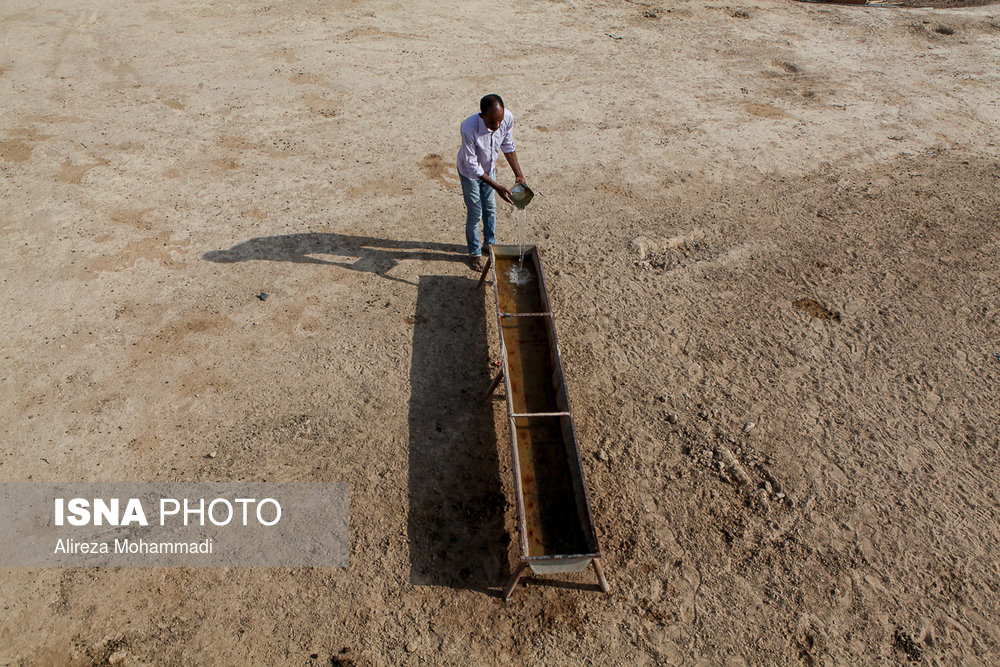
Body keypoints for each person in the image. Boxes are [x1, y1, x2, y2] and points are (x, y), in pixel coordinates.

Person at [457, 94, 526, 271]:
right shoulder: (468, 128)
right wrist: (496, 186)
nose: (497, 127)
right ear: (482, 116)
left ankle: (490, 244)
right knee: (476, 213)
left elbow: (508, 146)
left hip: (489, 168)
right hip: (470, 174)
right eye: (491, 123)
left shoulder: (507, 118)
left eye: (499, 122)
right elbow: (472, 166)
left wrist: (519, 175)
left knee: (490, 209)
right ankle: (474, 254)